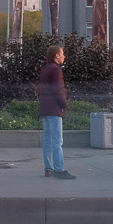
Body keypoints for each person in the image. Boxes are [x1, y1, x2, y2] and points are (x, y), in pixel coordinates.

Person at [38, 45, 74, 180]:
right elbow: (58, 90)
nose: (64, 56)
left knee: (47, 139)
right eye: (62, 53)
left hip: (45, 108)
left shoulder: (45, 69)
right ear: (56, 55)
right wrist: (64, 104)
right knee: (57, 140)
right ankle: (59, 169)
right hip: (54, 109)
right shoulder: (56, 70)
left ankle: (48, 169)